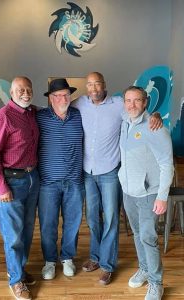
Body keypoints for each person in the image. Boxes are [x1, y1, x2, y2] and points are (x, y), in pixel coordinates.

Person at [72, 72, 162, 285]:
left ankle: (108, 265)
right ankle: (95, 257)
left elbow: (138, 110)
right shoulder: (80, 103)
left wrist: (155, 114)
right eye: (90, 85)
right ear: (86, 87)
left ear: (105, 85)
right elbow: (58, 105)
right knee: (93, 217)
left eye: (97, 84)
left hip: (110, 172)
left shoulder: (119, 104)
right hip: (88, 172)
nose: (93, 88)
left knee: (112, 218)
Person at [0, 77, 40, 300]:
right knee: (13, 234)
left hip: (32, 179)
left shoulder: (32, 113)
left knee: (26, 231)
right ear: (11, 92)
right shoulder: (3, 117)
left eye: (28, 89)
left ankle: (19, 269)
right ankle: (15, 280)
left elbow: (60, 105)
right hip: (11, 182)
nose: (25, 93)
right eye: (20, 90)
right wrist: (1, 187)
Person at [118, 86, 174, 300]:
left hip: (149, 194)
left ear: (146, 102)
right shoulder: (125, 121)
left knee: (149, 238)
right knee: (138, 235)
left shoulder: (155, 127)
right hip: (129, 192)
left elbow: (166, 164)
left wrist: (162, 196)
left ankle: (156, 283)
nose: (132, 105)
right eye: (128, 100)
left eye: (137, 100)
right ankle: (144, 269)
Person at [36, 78, 84, 280]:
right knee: (48, 224)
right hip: (48, 182)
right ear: (51, 98)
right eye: (58, 95)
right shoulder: (40, 118)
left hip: (75, 181)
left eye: (66, 94)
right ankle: (49, 261)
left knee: (72, 223)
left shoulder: (80, 116)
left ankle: (67, 258)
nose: (63, 98)